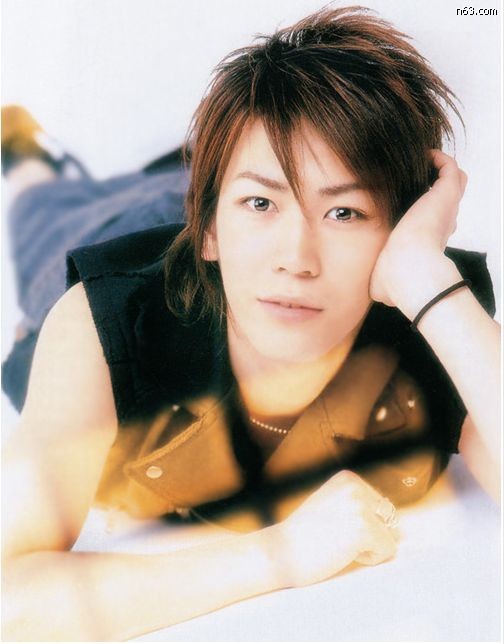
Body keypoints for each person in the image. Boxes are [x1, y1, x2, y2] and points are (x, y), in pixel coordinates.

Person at [1, 5, 500, 641]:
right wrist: (282, 554)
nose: (297, 259)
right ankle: (27, 154)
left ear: (399, 232)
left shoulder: (433, 317)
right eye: (261, 203)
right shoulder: (109, 319)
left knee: (259, 177)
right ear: (207, 228)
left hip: (221, 211)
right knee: (45, 215)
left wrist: (429, 284)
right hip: (146, 247)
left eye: (346, 213)